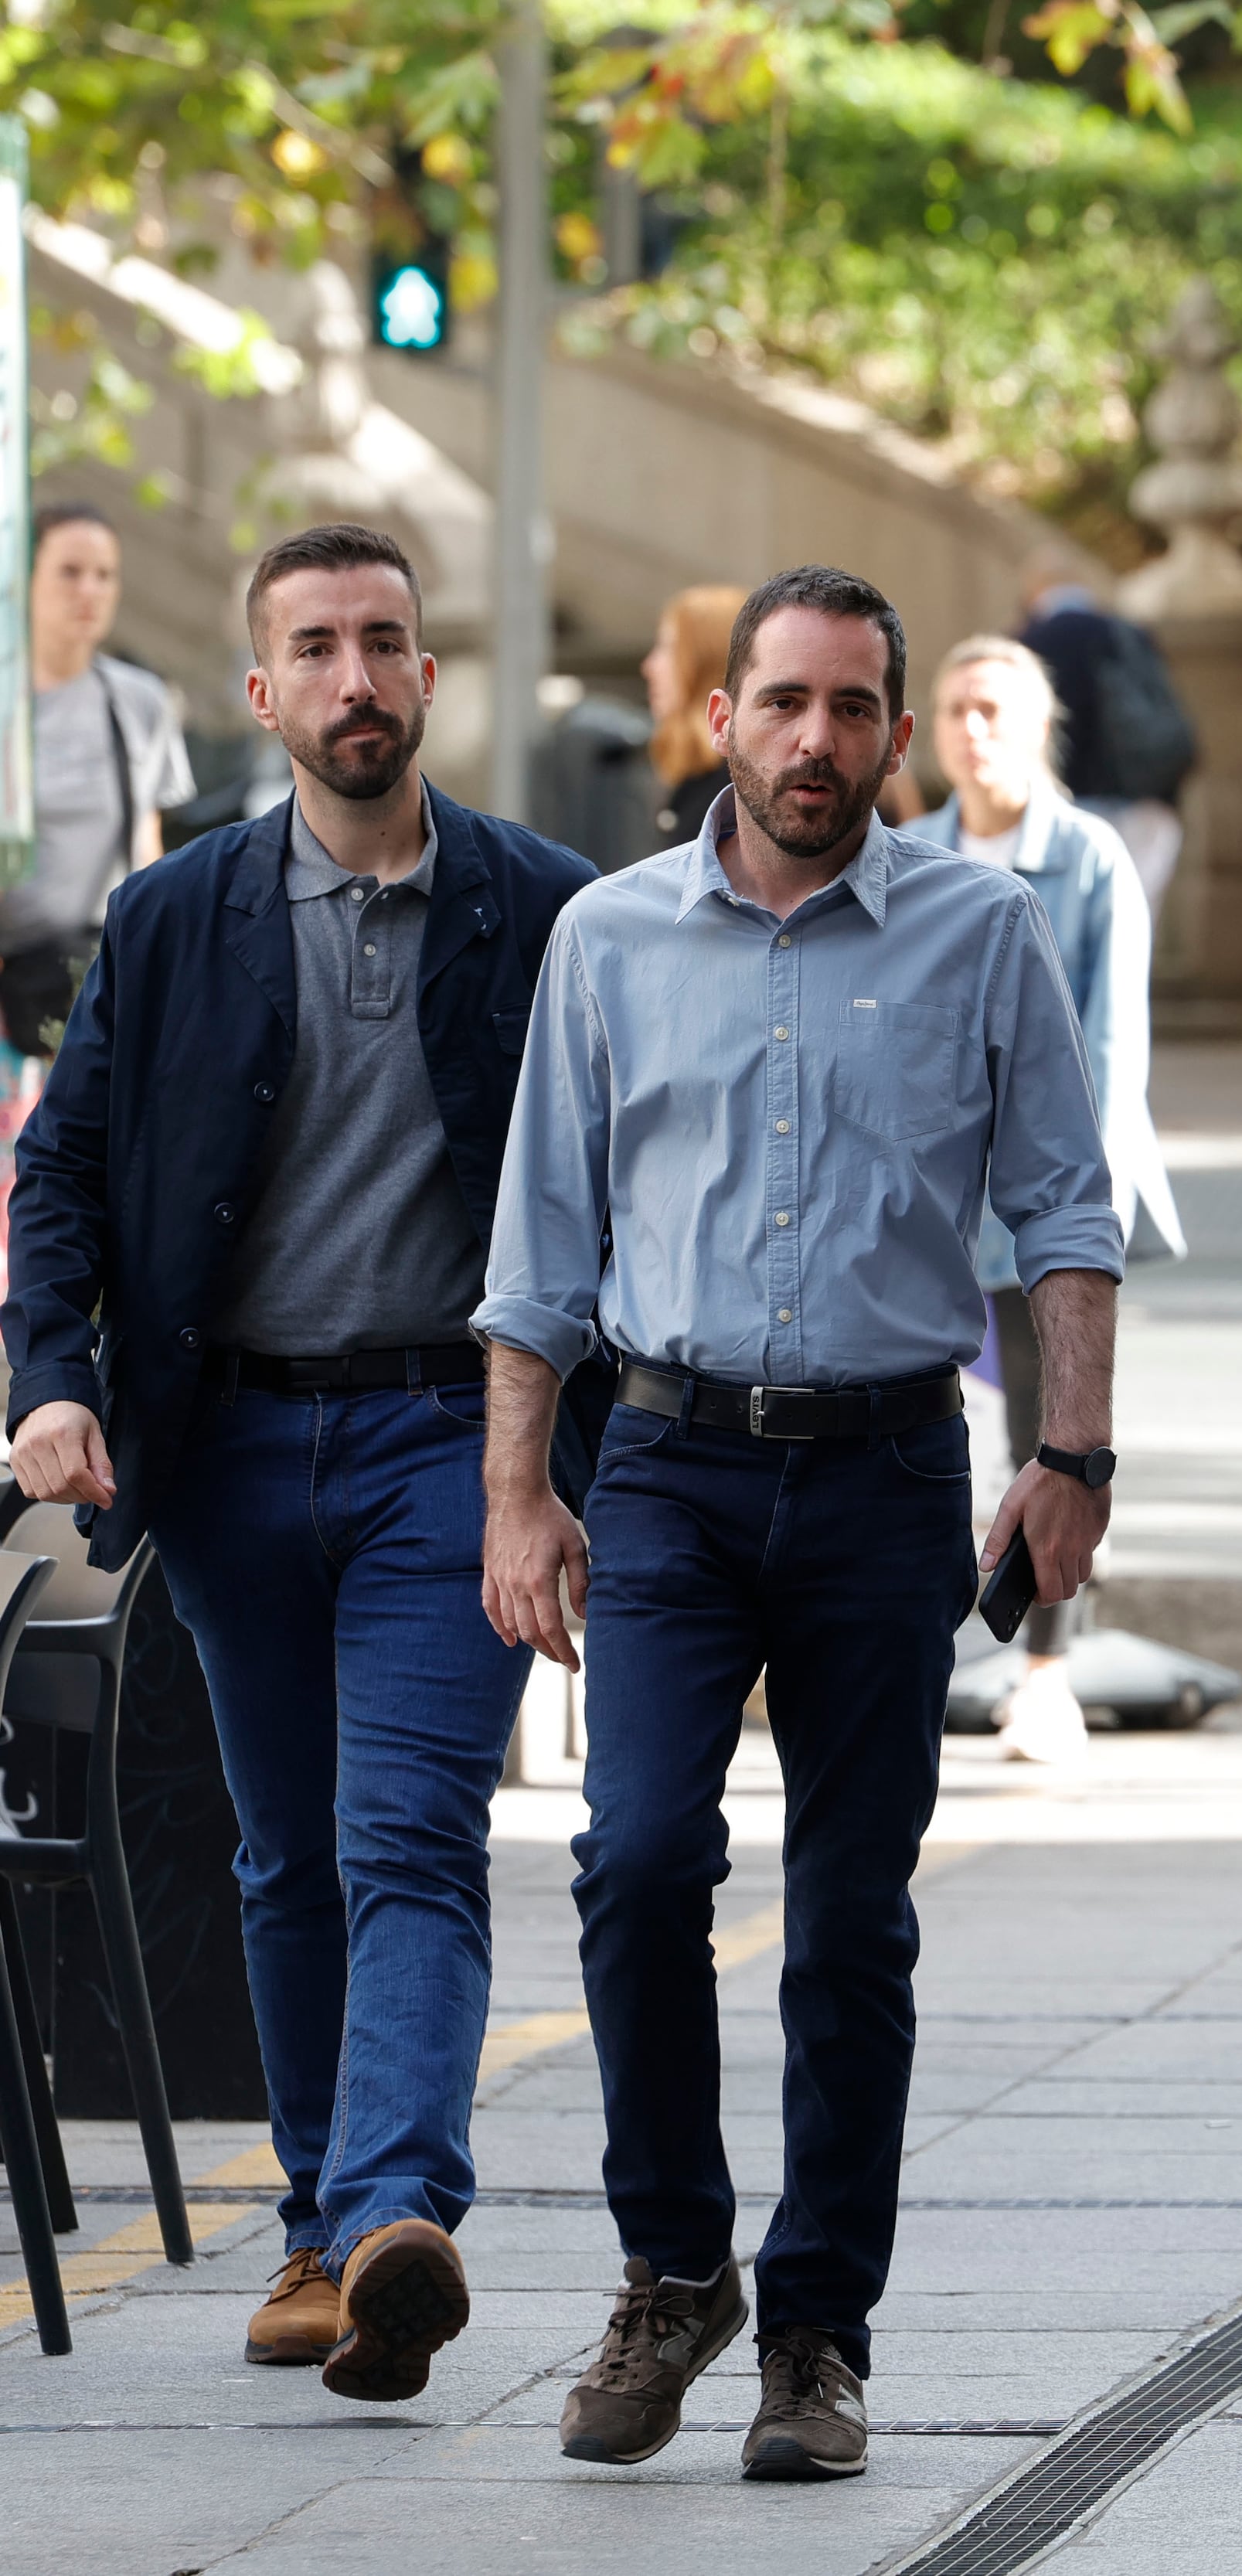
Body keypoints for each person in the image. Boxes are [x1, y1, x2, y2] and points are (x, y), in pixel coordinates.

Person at [473, 564, 1122, 2483]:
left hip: (887, 1472)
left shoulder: (983, 932)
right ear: (722, 722)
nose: (815, 743)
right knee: (638, 1863)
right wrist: (522, 1494)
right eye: (783, 705)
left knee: (850, 1920)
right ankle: (674, 2268)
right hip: (665, 1465)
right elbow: (537, 1258)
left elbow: (1065, 1217)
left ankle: (816, 2330)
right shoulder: (606, 940)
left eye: (852, 710)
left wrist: (1071, 1460)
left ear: (896, 738)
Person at [0, 521, 600, 2402]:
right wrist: (54, 1379)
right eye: (319, 649)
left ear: (430, 678)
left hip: (455, 1438)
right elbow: (67, 1172)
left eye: (388, 644)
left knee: (403, 1832)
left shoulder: (544, 909)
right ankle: (317, 2238)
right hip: (233, 1445)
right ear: (262, 693)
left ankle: (390, 2209)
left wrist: (592, 1467)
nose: (358, 678)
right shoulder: (174, 919)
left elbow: (609, 1191)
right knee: (280, 1860)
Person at [914, 631, 1187, 1764]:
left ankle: (1044, 1670)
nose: (974, 732)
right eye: (956, 710)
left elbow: (1111, 1057)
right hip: (926, 1201)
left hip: (1034, 1205)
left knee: (1051, 1437)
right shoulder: (907, 852)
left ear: (1038, 729)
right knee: (918, 1432)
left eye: (995, 710)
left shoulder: (1087, 859)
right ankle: (915, 1649)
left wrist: (1088, 1218)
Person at [4, 502, 196, 1061]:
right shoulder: (8, 704)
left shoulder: (139, 701)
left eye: (104, 574)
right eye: (70, 571)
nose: (89, 590)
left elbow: (146, 845)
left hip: (108, 984)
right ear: (26, 576)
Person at [1016, 543, 1192, 915]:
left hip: (1067, 807)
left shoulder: (1027, 645)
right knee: (1132, 927)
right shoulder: (1129, 633)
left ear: (1034, 590)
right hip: (1147, 804)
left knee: (1065, 933)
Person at [639, 584, 745, 852]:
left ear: (707, 663)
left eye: (668, 647)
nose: (649, 666)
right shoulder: (699, 778)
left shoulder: (734, 797)